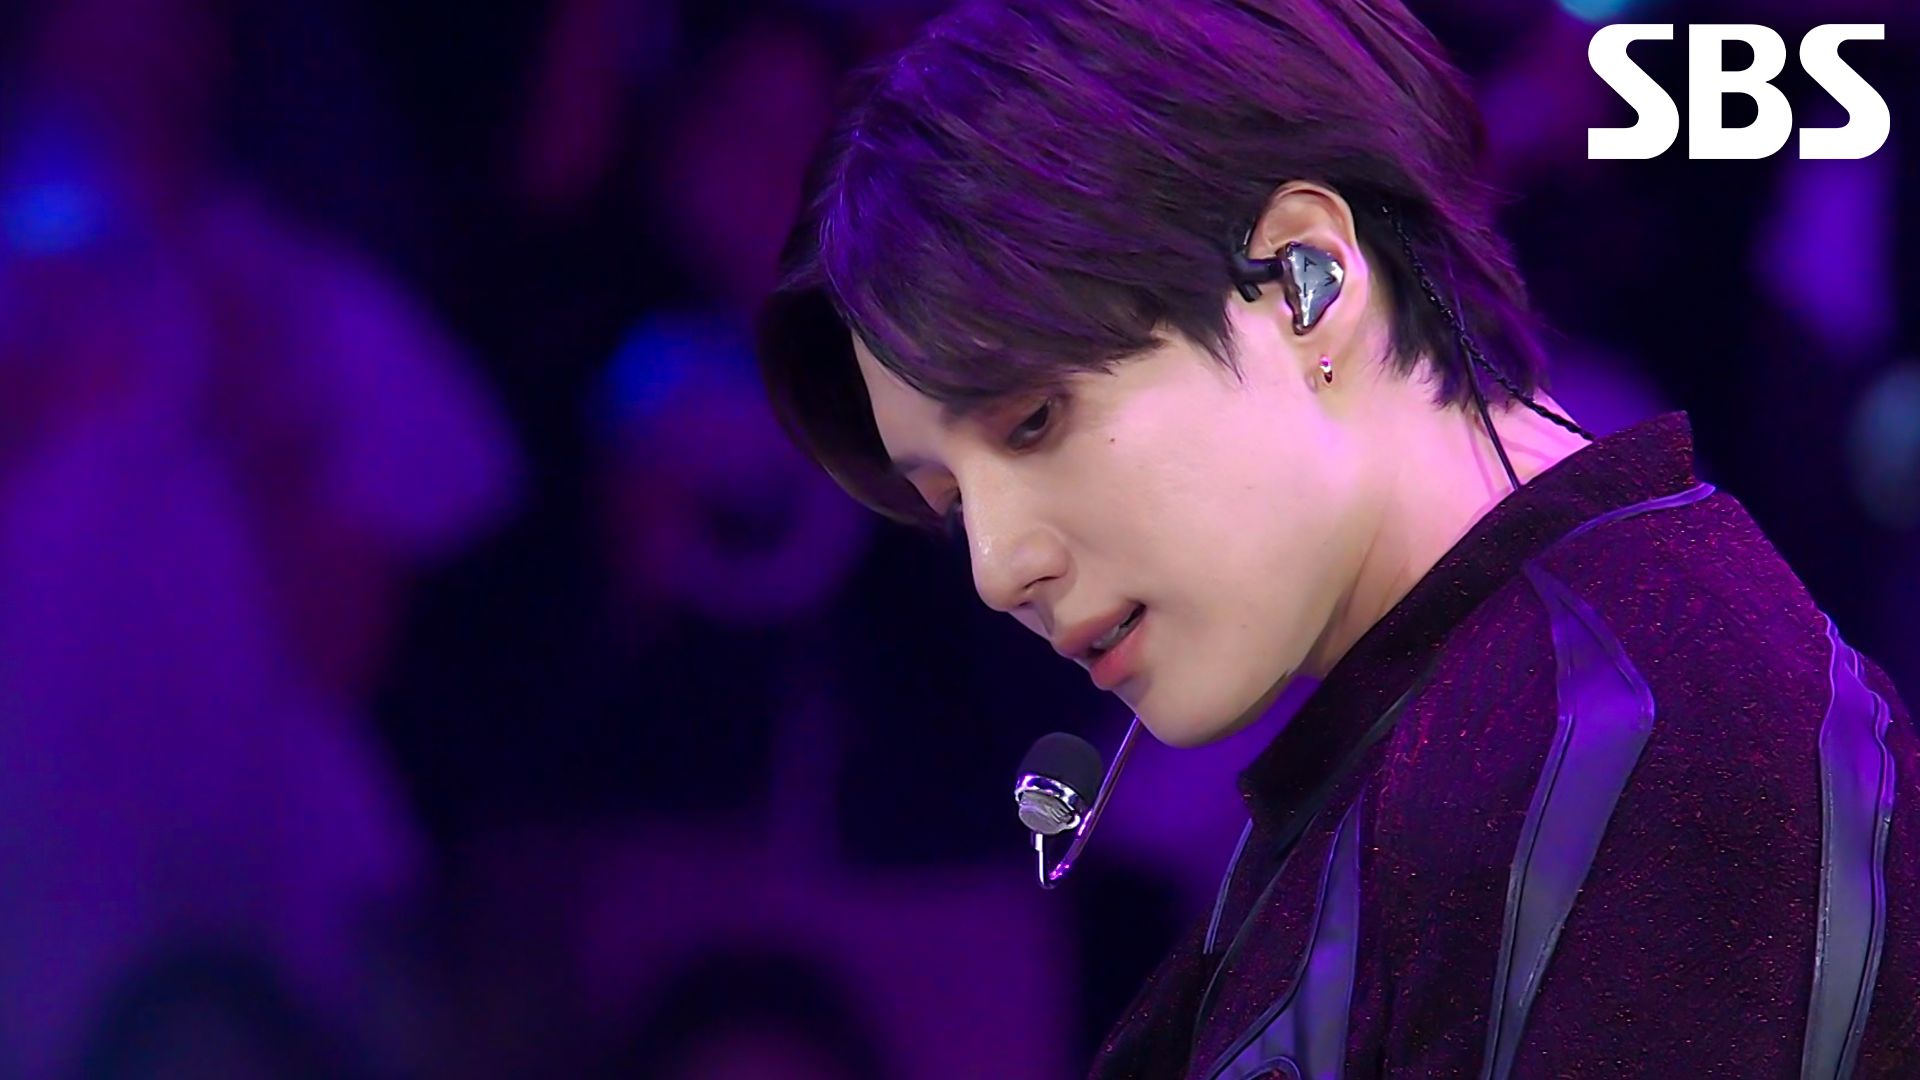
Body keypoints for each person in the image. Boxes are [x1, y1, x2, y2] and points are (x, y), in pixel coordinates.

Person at [750, 0, 1920, 1077]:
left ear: (1304, 281)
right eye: (953, 501)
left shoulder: (1637, 744)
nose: (1000, 566)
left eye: (1034, 421)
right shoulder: (1505, 732)